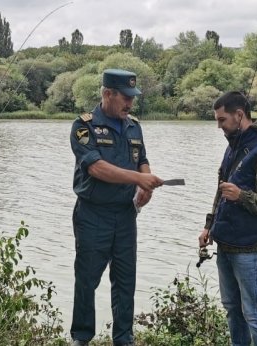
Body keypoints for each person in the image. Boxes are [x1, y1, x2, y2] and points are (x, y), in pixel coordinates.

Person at [69, 69, 165, 346]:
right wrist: (139, 178)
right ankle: (82, 337)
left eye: (133, 98)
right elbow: (97, 168)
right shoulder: (83, 126)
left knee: (125, 280)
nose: (130, 104)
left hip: (125, 214)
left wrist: (145, 185)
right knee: (86, 278)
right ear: (107, 94)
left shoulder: (134, 125)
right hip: (92, 214)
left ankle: (124, 338)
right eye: (125, 97)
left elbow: (141, 159)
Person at [198, 91, 257, 346]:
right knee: (232, 309)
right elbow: (221, 192)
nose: (219, 126)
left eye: (222, 120)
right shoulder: (233, 147)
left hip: (251, 248)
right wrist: (209, 226)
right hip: (226, 244)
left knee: (255, 316)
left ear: (239, 115)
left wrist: (242, 196)